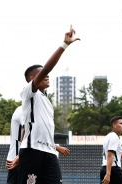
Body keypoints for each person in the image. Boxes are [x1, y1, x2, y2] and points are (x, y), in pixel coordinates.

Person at [18, 26, 80, 184]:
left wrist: (55, 146)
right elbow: (47, 68)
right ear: (32, 78)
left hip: (49, 152)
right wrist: (64, 45)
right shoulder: (28, 92)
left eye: (45, 74)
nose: (47, 76)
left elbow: (31, 127)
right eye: (41, 74)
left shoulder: (46, 101)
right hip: (32, 151)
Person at [6, 106, 24, 184]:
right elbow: (30, 132)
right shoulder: (22, 110)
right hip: (16, 159)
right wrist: (56, 147)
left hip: (23, 157)